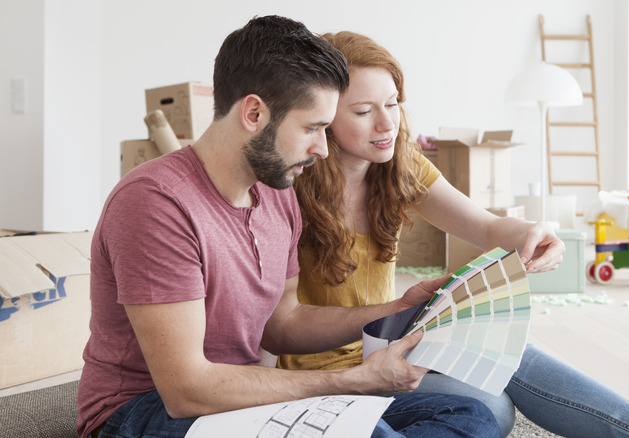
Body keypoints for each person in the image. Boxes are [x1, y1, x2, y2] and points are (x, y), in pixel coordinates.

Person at [76, 16, 501, 438]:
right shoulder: (156, 202)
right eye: (312, 128)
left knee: (470, 415)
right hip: (142, 412)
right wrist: (356, 381)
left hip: (244, 396)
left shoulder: (277, 193)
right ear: (255, 112)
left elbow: (284, 325)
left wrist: (396, 309)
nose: (321, 147)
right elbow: (186, 390)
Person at [282, 31, 629, 438]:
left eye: (392, 104)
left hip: (396, 347)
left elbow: (484, 226)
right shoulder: (289, 189)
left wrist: (531, 233)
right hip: (326, 376)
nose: (386, 123)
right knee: (488, 410)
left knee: (496, 400)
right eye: (363, 111)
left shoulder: (400, 167)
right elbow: (280, 326)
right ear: (324, 116)